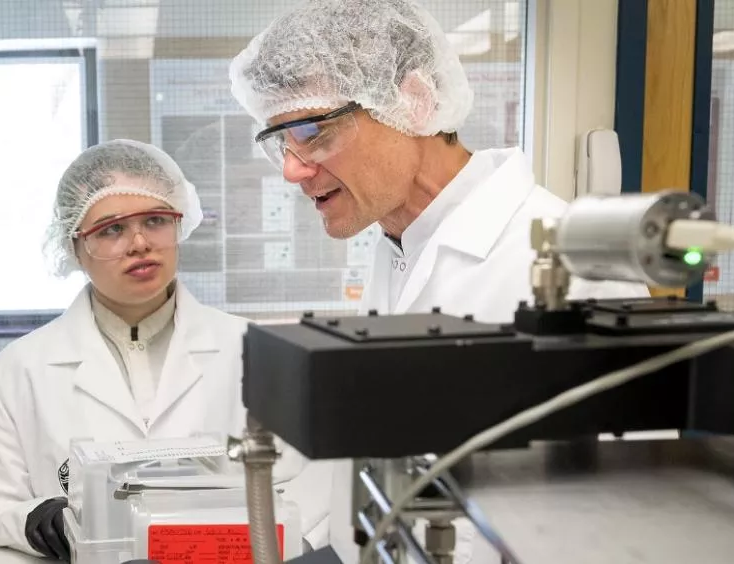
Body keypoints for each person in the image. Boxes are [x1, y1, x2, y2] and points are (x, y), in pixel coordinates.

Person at [227, 0, 649, 562]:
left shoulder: (572, 266)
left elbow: (628, 512)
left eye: (313, 130)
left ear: (414, 102)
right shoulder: (399, 247)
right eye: (279, 139)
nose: (291, 169)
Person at [0, 139, 331, 560]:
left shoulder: (257, 351)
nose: (139, 243)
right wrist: (30, 520)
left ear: (180, 224)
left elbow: (312, 487)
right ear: (75, 248)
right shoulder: (17, 371)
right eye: (112, 229)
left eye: (155, 220)